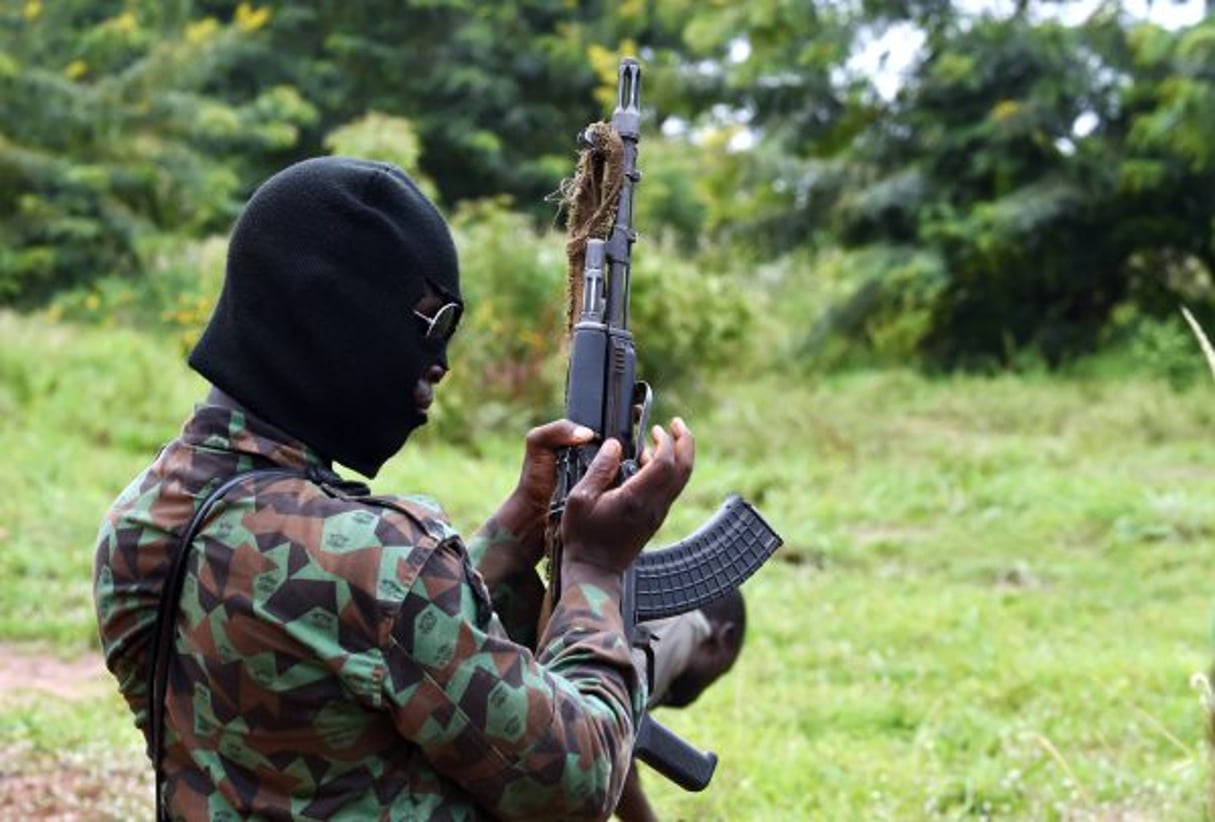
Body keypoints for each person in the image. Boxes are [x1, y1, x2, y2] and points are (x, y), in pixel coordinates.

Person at [92, 156, 695, 820]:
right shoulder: (375, 559)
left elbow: (370, 646)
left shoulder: (140, 522)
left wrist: (517, 533)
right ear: (335, 317)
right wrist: (594, 566)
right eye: (429, 326)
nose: (437, 364)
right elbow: (577, 783)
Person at [614, 590, 746, 822]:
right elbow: (609, 738)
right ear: (723, 638)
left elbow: (623, 744)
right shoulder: (681, 631)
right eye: (719, 673)